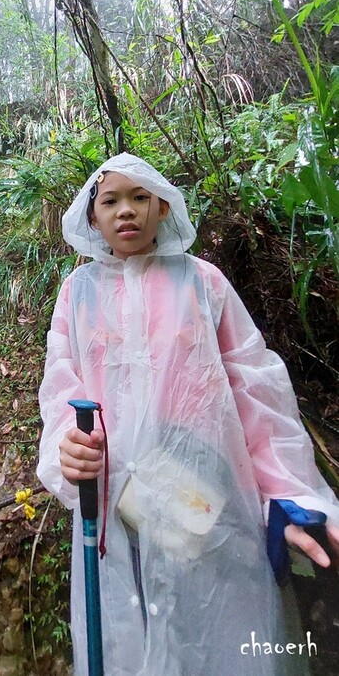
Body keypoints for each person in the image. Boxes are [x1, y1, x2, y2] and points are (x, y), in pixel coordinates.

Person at [37, 152, 339, 676]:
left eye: (140, 198)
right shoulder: (77, 294)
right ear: (92, 217)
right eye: (110, 201)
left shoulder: (203, 283)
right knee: (129, 632)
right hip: (113, 506)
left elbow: (255, 390)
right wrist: (68, 443)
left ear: (163, 207)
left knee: (219, 631)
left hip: (208, 500)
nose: (125, 211)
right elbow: (63, 385)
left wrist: (288, 496)